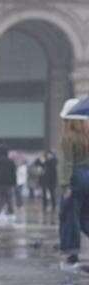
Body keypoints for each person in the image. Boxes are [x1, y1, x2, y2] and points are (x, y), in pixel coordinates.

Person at [58, 98, 89, 270]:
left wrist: (65, 186)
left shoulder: (68, 138)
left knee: (70, 216)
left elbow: (67, 163)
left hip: (76, 178)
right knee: (86, 217)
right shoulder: (87, 136)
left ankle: (72, 256)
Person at [0, 144, 17, 226]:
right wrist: (14, 183)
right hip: (8, 183)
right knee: (9, 198)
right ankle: (11, 213)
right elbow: (13, 173)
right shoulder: (10, 161)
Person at [35, 150, 58, 215]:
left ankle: (54, 205)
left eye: (49, 155)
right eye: (47, 155)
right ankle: (45, 205)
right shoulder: (44, 160)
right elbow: (36, 163)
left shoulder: (54, 160)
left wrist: (45, 160)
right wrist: (40, 158)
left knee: (52, 193)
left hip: (52, 180)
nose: (48, 156)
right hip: (44, 180)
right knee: (44, 193)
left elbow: (52, 164)